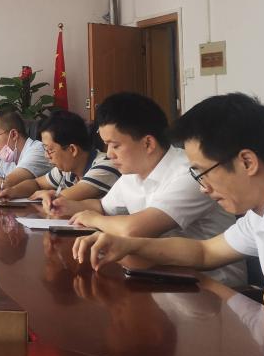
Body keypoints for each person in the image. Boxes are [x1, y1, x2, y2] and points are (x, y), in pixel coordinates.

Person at [72, 93, 264, 356]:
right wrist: (128, 245)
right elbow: (204, 252)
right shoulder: (263, 211)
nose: (203, 187)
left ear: (247, 162)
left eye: (203, 172)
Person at [52, 93, 243, 286]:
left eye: (115, 145)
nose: (109, 154)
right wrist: (66, 205)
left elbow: (133, 230)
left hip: (211, 285)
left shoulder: (190, 173)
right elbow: (103, 206)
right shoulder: (132, 171)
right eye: (106, 145)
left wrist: (93, 219)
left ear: (148, 143)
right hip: (161, 274)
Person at [0, 110, 120, 205]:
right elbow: (37, 183)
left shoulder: (105, 166)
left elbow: (59, 198)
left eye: (50, 150)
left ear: (72, 150)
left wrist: (48, 195)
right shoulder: (67, 170)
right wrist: (12, 191)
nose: (46, 156)